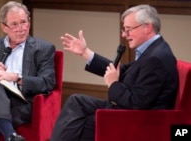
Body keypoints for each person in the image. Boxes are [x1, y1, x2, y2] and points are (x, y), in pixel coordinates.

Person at [50, 4, 178, 141]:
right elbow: (121, 71)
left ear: (147, 27)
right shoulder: (152, 50)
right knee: (77, 101)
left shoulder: (156, 58)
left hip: (138, 120)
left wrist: (113, 83)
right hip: (126, 110)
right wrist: (85, 53)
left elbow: (137, 102)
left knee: (78, 124)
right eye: (124, 30)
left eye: (128, 29)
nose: (124, 34)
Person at [0, 1, 56, 141]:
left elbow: (47, 83)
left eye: (24, 22)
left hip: (19, 104)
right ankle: (11, 135)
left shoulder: (43, 48)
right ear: (4, 27)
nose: (21, 28)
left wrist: (15, 77)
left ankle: (9, 134)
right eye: (14, 24)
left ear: (29, 22)